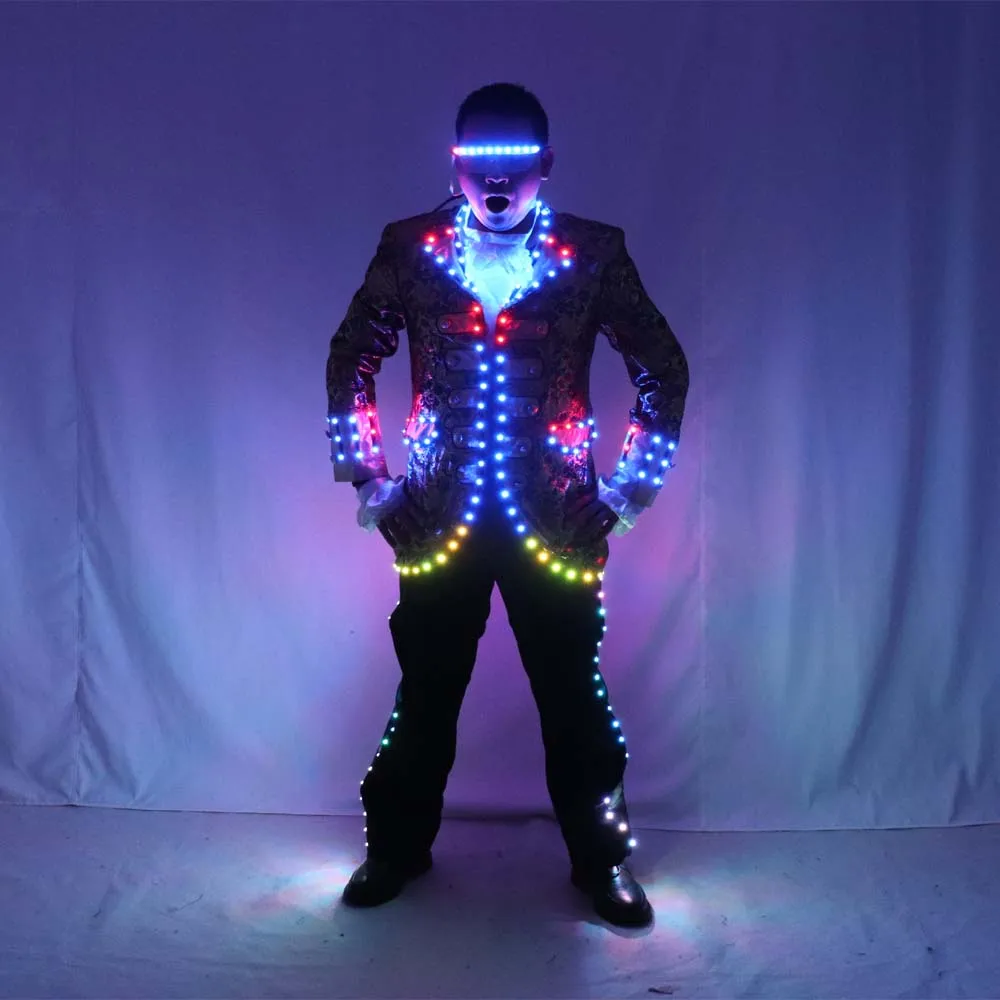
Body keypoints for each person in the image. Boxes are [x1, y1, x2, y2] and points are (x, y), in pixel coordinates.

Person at [325, 82, 689, 927]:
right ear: (454, 162)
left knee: (574, 699)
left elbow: (662, 365)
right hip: (434, 518)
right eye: (479, 160)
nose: (497, 179)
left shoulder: (592, 253)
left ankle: (603, 860)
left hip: (557, 521)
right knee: (426, 692)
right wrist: (373, 482)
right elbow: (352, 356)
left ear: (546, 163)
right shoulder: (409, 248)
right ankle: (395, 847)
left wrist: (628, 489)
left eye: (515, 161)